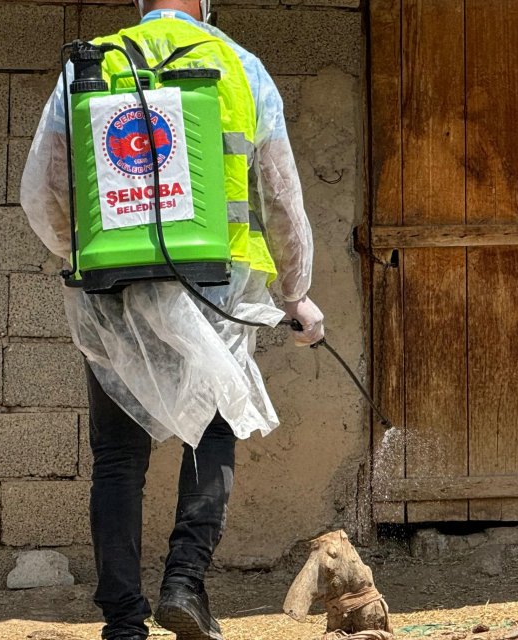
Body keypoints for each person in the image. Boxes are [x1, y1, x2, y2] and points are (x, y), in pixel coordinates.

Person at [18, 1, 324, 638]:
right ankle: (185, 585)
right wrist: (295, 294)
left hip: (111, 297)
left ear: (139, 2)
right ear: (206, 1)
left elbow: (42, 188)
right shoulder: (243, 69)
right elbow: (282, 199)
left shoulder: (87, 65)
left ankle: (124, 623)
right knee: (211, 437)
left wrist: (83, 254)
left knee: (118, 457)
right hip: (216, 292)